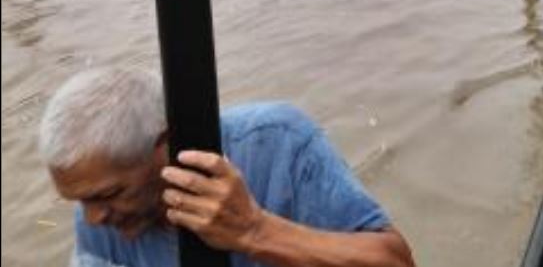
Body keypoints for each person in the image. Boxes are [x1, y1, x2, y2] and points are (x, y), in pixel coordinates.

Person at [39, 68, 415, 267]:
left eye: (108, 194)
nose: (91, 218)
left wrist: (255, 231)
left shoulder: (278, 143)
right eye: (79, 201)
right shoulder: (101, 217)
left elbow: (394, 262)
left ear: (165, 145)